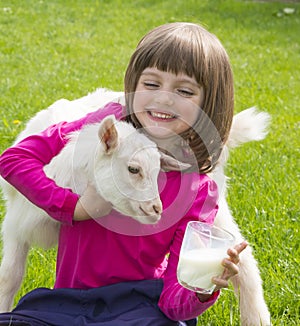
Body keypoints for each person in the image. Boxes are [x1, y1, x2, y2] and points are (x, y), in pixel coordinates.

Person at [0, 22, 247, 326]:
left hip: (140, 308)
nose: (164, 99)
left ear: (208, 104)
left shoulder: (196, 190)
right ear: (133, 85)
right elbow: (15, 159)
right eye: (152, 84)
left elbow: (173, 302)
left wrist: (201, 287)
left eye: (184, 91)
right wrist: (72, 207)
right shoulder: (100, 129)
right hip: (67, 305)